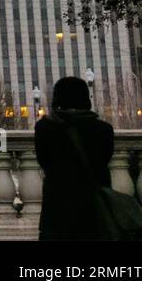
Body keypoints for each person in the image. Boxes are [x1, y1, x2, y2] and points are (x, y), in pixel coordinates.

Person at [34, 75, 115, 240]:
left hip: (57, 209)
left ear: (57, 98)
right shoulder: (104, 129)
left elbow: (44, 161)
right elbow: (105, 159)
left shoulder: (44, 128)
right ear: (86, 98)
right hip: (95, 209)